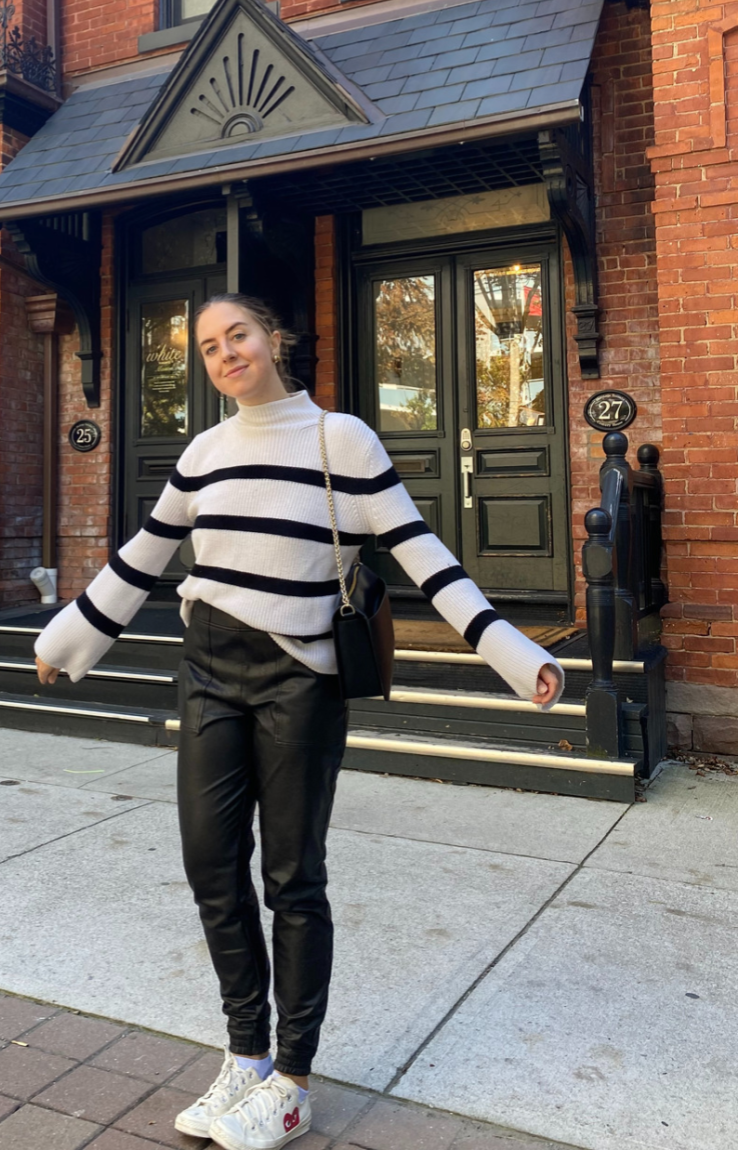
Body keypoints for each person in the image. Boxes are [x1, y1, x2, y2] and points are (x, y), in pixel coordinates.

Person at [34, 293, 564, 1150]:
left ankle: (291, 1079)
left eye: (237, 334)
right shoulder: (204, 452)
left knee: (292, 878)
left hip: (298, 681)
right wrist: (69, 639)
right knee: (211, 864)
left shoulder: (339, 439)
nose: (224, 354)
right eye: (207, 346)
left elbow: (422, 553)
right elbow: (142, 557)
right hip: (206, 670)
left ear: (272, 339)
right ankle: (244, 1057)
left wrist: (508, 650)